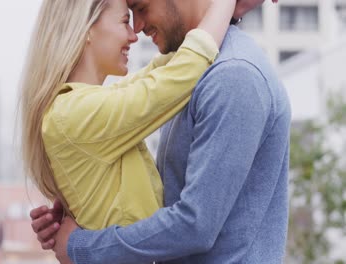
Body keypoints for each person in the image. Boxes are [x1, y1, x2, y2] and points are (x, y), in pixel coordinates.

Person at [30, 0, 290, 263]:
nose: (137, 29)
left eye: (141, 8)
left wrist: (80, 245)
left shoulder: (232, 75)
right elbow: (168, 72)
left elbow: (194, 225)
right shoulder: (83, 109)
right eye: (126, 19)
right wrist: (83, 202)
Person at [21, 0, 236, 232]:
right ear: (86, 28)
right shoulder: (75, 113)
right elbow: (183, 71)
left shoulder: (83, 106)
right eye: (125, 21)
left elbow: (164, 69)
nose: (134, 35)